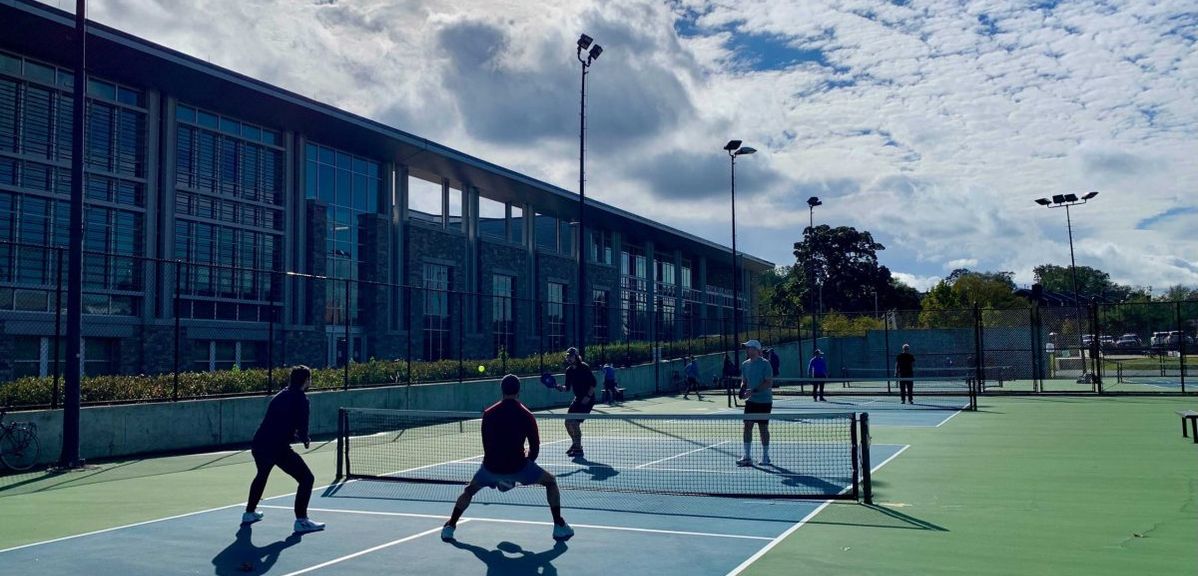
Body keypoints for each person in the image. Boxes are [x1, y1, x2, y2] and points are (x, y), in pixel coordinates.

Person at [441, 374, 573, 543]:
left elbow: (487, 444)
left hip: (490, 468)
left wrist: (495, 472)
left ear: (502, 390)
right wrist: (522, 469)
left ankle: (450, 527)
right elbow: (535, 448)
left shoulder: (488, 414)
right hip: (519, 467)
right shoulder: (526, 414)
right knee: (551, 482)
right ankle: (559, 526)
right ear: (519, 391)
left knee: (468, 491)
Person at [243, 365, 324, 534]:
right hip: (277, 447)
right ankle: (301, 520)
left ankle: (249, 513)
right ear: (306, 381)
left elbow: (278, 421)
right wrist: (305, 439)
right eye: (310, 379)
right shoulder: (302, 399)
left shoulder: (280, 395)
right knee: (307, 478)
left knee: (262, 475)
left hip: (259, 444)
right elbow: (302, 426)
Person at [737, 340, 774, 467]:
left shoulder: (765, 364)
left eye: (748, 348)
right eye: (746, 348)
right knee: (747, 426)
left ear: (756, 349)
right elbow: (744, 381)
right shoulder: (745, 364)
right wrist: (743, 388)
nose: (746, 350)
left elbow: (768, 383)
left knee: (763, 428)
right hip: (751, 401)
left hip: (764, 401)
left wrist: (752, 391)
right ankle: (747, 456)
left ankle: (765, 456)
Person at [556, 347, 596, 457]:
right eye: (568, 356)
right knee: (567, 422)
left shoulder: (584, 367)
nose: (569, 358)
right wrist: (560, 388)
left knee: (574, 423)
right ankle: (575, 444)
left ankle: (578, 448)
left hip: (588, 400)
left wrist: (588, 396)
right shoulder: (568, 371)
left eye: (571, 356)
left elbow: (593, 383)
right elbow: (567, 388)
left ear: (576, 356)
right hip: (577, 399)